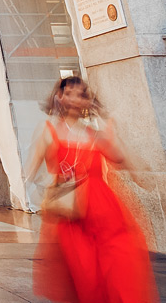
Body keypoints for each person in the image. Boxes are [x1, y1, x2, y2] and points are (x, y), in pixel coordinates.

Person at [27, 76, 156, 303]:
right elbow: (31, 170)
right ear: (59, 98)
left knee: (119, 264)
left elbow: (119, 157)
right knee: (87, 275)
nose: (75, 99)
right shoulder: (48, 130)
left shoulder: (94, 134)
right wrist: (45, 195)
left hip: (106, 213)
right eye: (69, 93)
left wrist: (103, 119)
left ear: (88, 101)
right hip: (72, 216)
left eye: (82, 94)